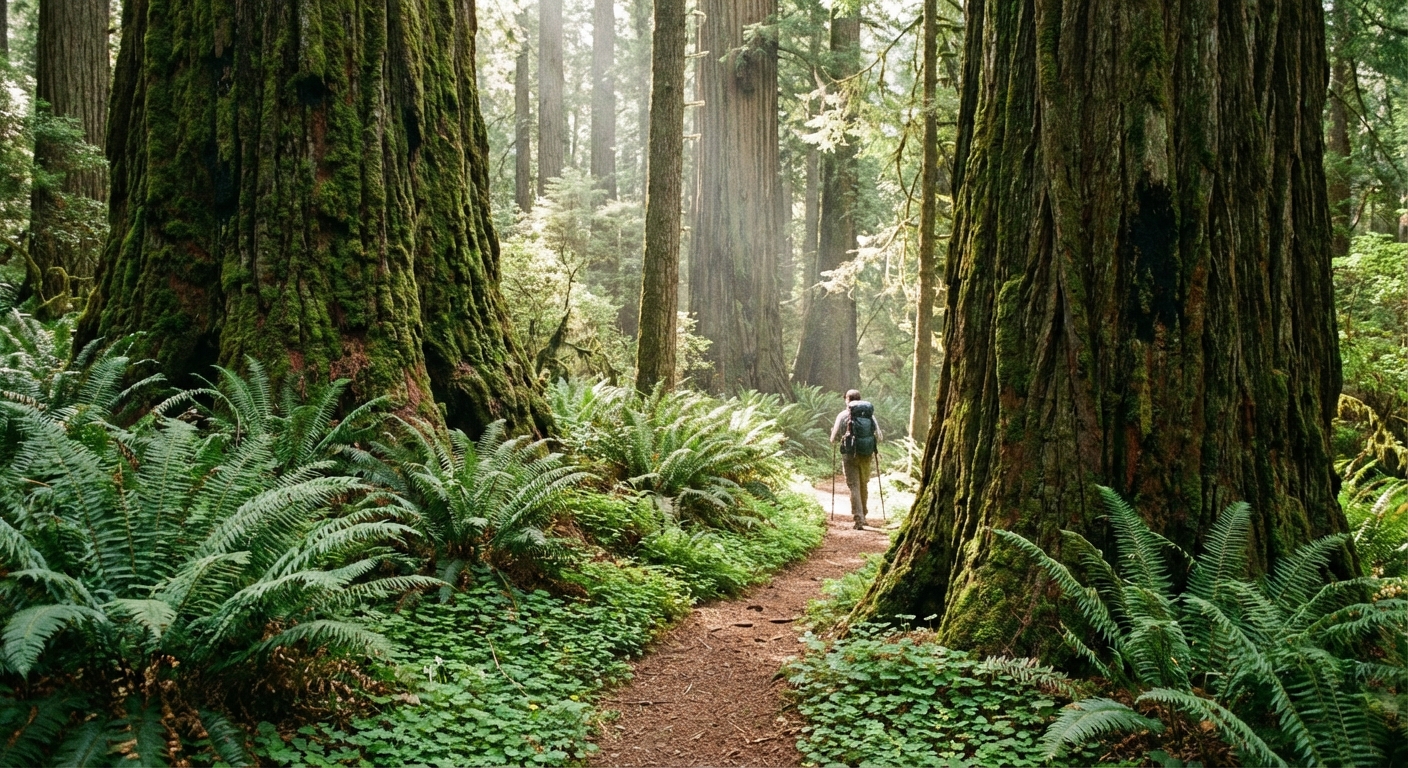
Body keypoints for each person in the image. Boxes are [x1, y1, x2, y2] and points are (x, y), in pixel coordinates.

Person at [831, 389, 882, 529]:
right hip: (866, 454)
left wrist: (838, 435)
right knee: (863, 484)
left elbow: (832, 439)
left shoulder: (842, 415)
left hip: (849, 455)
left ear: (847, 399)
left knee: (854, 485)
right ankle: (864, 515)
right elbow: (880, 436)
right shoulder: (869, 415)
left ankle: (858, 519)